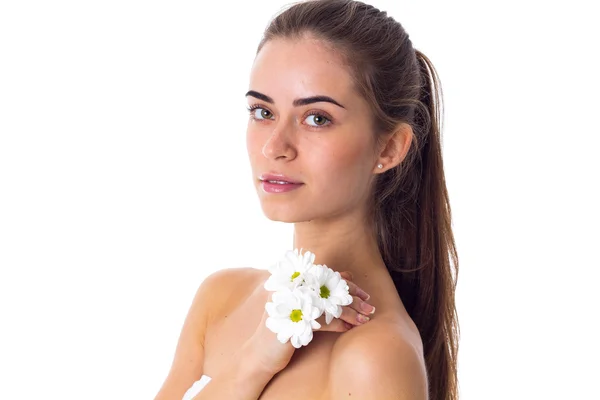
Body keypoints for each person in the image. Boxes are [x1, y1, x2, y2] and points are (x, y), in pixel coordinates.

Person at [154, 0, 459, 399]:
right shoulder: (220, 298)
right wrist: (255, 361)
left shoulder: (375, 355)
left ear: (389, 148)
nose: (274, 148)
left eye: (317, 118)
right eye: (262, 112)